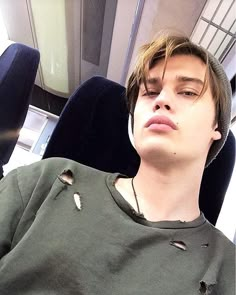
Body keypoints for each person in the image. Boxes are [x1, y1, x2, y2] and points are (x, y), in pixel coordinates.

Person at [0, 32, 235, 294]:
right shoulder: (42, 182)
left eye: (188, 92)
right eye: (150, 91)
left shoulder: (227, 272)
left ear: (217, 124)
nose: (161, 100)